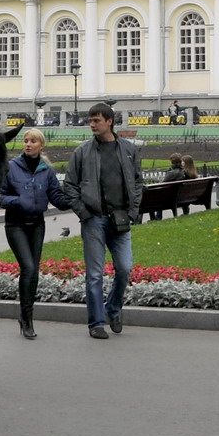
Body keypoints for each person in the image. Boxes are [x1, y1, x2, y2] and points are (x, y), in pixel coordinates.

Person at [63, 102, 143, 340]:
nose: (92, 125)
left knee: (125, 268)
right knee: (95, 274)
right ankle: (96, 323)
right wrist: (83, 212)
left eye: (97, 120)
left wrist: (132, 211)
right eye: (90, 120)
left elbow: (138, 182)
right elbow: (69, 186)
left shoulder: (127, 149)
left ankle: (113, 309)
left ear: (109, 121)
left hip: (120, 219)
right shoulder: (82, 152)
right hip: (94, 219)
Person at [0, 127, 71, 339]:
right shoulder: (11, 167)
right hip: (16, 224)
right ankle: (27, 317)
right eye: (26, 140)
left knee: (34, 271)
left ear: (41, 145)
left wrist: (73, 200)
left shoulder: (46, 170)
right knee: (28, 267)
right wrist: (18, 201)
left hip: (37, 224)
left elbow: (56, 197)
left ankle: (26, 316)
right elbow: (1, 196)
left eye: (33, 141)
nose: (28, 144)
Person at [151, 153, 186, 221]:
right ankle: (157, 216)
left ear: (172, 162)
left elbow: (163, 183)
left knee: (152, 196)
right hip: (177, 197)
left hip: (168, 198)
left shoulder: (172, 173)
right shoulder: (182, 172)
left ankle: (157, 217)